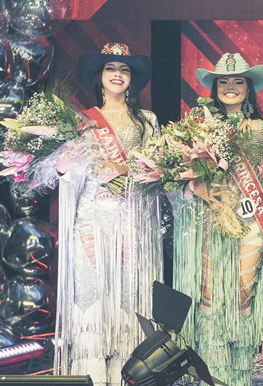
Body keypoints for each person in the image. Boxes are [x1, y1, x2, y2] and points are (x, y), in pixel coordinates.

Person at [171, 52, 263, 385]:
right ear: (214, 88)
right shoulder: (198, 130)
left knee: (243, 300)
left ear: (249, 88)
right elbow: (174, 180)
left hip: (250, 227)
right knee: (210, 301)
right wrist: (196, 188)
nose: (230, 87)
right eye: (223, 81)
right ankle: (212, 377)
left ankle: (239, 377)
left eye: (237, 81)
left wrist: (255, 201)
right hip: (208, 227)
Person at [54, 43, 163, 386]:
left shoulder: (148, 122)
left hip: (130, 217)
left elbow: (160, 170)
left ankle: (126, 375)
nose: (117, 74)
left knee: (128, 294)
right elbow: (71, 174)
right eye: (110, 68)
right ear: (100, 78)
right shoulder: (83, 120)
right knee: (90, 294)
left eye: (124, 69)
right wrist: (63, 165)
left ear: (132, 79)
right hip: (89, 216)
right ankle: (91, 376)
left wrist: (124, 167)